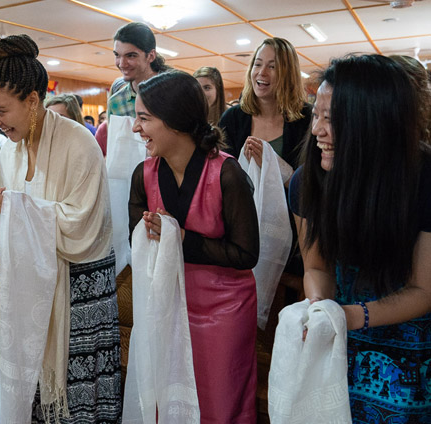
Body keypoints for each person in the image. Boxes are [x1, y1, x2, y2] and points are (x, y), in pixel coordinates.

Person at [0, 34, 121, 423]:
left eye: (2, 111)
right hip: (34, 288)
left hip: (79, 288)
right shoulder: (10, 150)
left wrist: (19, 208)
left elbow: (81, 223)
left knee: (75, 400)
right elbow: (17, 218)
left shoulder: (80, 144)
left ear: (33, 100)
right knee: (33, 388)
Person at [290, 54, 431, 421]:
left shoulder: (423, 179)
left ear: (374, 123)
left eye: (332, 120)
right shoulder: (307, 181)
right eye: (316, 115)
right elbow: (316, 265)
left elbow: (423, 290)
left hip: (410, 342)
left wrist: (351, 317)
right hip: (341, 333)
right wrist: (322, 307)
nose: (318, 131)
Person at [128, 70, 259, 422]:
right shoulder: (143, 175)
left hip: (224, 311)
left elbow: (247, 254)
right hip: (167, 304)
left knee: (218, 403)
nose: (135, 128)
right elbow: (136, 241)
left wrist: (183, 239)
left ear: (175, 120)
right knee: (165, 398)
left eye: (144, 118)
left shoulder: (227, 174)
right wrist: (152, 236)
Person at [219, 38, 311, 184]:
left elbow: (309, 187)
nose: (262, 72)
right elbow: (220, 177)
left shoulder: (307, 118)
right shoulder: (232, 118)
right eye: (258, 64)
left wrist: (272, 164)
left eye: (272, 67)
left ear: (288, 73)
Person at [106, 22, 169, 124]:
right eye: (117, 55)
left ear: (151, 56)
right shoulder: (116, 102)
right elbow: (115, 139)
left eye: (131, 56)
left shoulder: (176, 91)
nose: (122, 64)